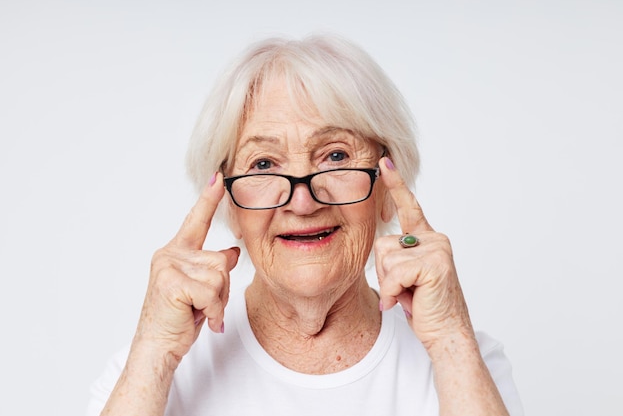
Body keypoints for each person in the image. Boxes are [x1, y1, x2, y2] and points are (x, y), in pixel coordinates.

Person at [87, 34, 523, 416]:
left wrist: (451, 340)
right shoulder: (147, 372)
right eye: (263, 164)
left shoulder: (466, 361)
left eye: (335, 155)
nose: (302, 200)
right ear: (228, 204)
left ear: (388, 188)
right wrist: (155, 354)